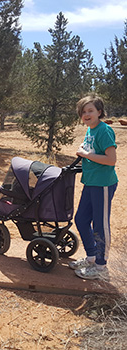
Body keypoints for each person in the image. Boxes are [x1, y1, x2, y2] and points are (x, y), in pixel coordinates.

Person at [69, 95, 118, 280]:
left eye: (90, 110)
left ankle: (101, 266)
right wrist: (84, 151)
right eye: (83, 112)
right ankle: (91, 257)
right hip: (90, 182)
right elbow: (89, 150)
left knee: (100, 224)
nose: (86, 114)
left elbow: (111, 159)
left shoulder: (104, 130)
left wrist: (86, 154)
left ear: (99, 111)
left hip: (103, 183)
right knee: (81, 219)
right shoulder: (91, 130)